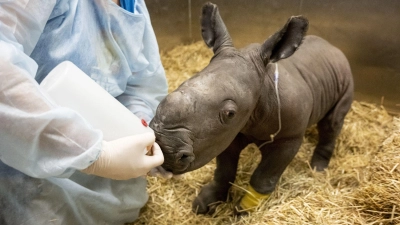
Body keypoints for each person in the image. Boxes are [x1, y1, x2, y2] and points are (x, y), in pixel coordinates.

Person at [0, 0, 168, 224]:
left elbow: (143, 81)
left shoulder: (133, 5)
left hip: (113, 185)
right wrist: (96, 156)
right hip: (31, 172)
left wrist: (135, 125)